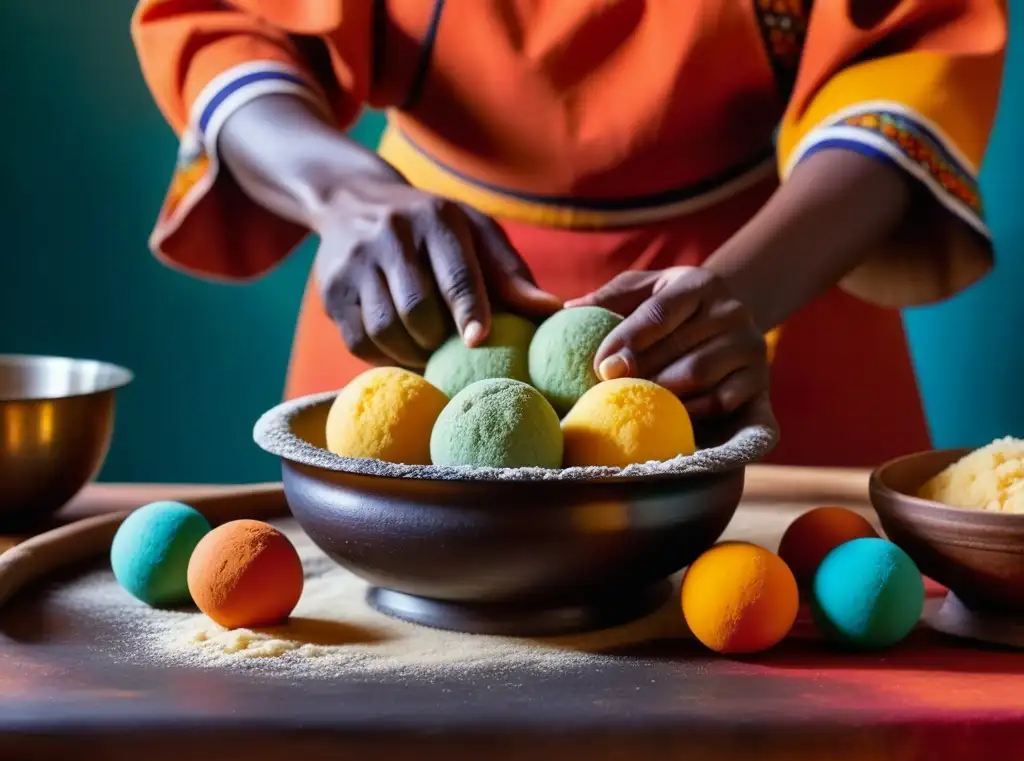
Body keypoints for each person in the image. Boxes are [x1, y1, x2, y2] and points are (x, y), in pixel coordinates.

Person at [131, 0, 1006, 466]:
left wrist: (743, 294)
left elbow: (913, 55)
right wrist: (346, 194)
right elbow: (232, 24)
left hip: (757, 304)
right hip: (423, 292)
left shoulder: (749, 301)